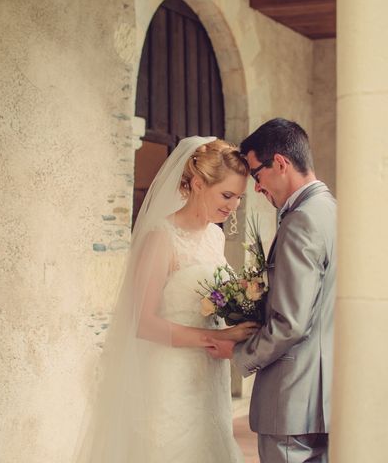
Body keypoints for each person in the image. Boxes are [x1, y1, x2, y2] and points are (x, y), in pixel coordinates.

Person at [73, 136, 256, 463]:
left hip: (210, 377)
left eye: (239, 198)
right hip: (171, 377)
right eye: (227, 195)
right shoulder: (162, 237)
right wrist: (215, 337)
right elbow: (142, 323)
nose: (233, 206)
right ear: (198, 184)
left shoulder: (215, 236)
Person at [206, 118, 337, 463]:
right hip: (324, 396)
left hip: (292, 397)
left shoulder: (301, 221)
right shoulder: (331, 211)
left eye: (256, 175)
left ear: (279, 163)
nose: (257, 188)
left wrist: (238, 353)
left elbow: (291, 322)